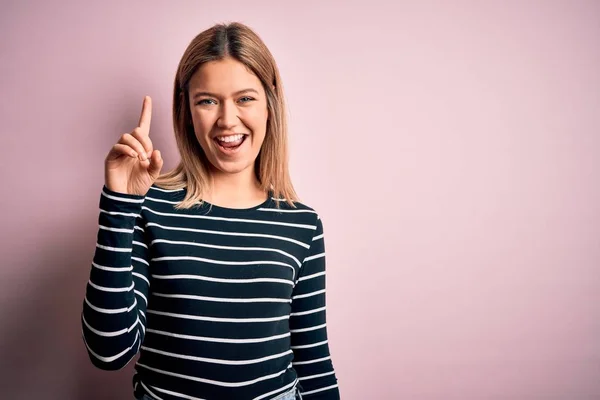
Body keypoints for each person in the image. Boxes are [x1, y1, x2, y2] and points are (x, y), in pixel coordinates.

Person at [81, 22, 340, 400]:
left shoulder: (302, 225)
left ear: (270, 105)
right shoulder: (149, 208)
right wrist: (120, 204)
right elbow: (109, 351)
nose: (227, 120)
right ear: (186, 111)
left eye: (245, 98)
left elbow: (314, 362)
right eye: (207, 100)